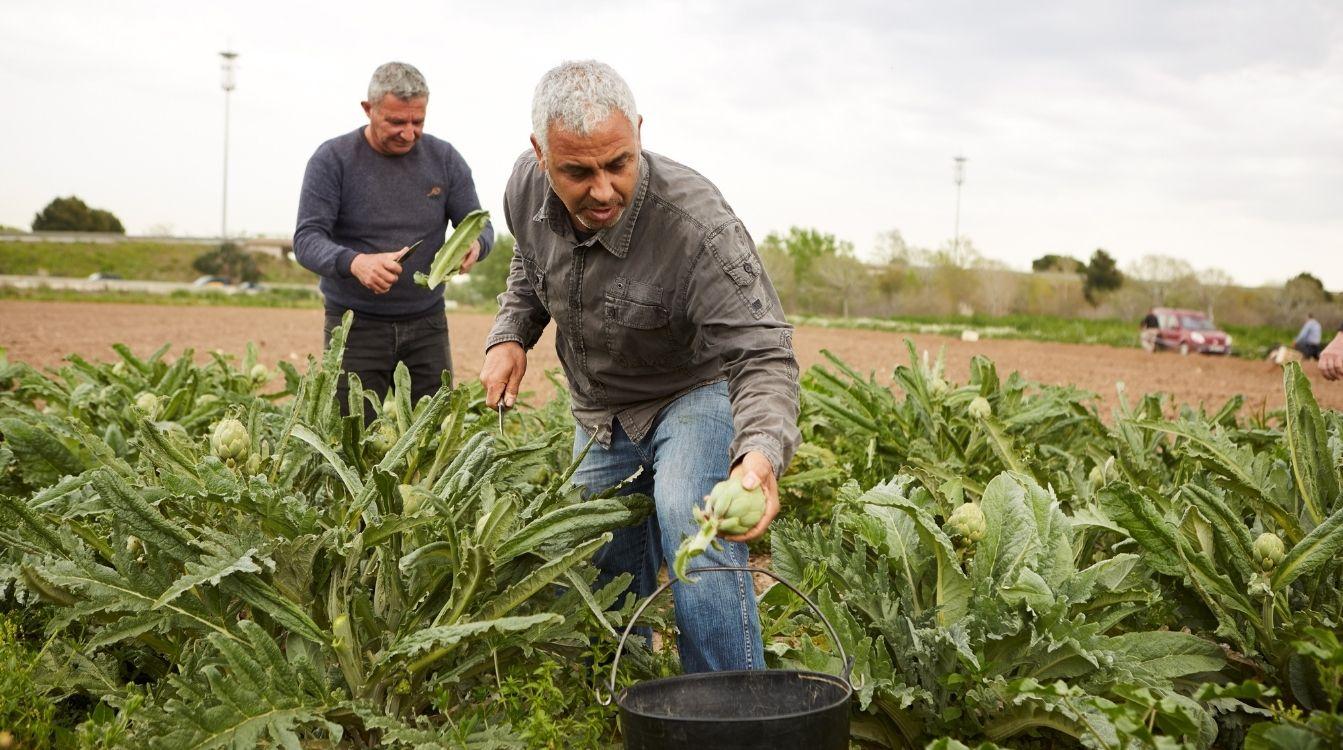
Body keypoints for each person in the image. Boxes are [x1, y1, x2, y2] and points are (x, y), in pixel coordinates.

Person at [479, 61, 799, 674]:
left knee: (694, 522)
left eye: (618, 164)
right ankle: (630, 689)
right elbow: (529, 261)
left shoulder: (698, 227)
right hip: (599, 409)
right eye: (578, 171)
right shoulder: (522, 188)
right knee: (604, 555)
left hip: (693, 388)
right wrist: (511, 334)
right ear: (540, 156)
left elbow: (763, 353)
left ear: (639, 135)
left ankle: (732, 704)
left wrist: (757, 457)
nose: (602, 190)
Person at [294, 62, 494, 417]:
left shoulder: (444, 159)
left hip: (427, 324)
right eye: (396, 122)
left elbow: (479, 226)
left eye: (417, 122)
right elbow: (307, 240)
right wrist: (356, 263)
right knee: (351, 436)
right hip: (353, 327)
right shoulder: (332, 160)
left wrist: (474, 247)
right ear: (368, 110)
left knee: (435, 435)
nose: (408, 133)